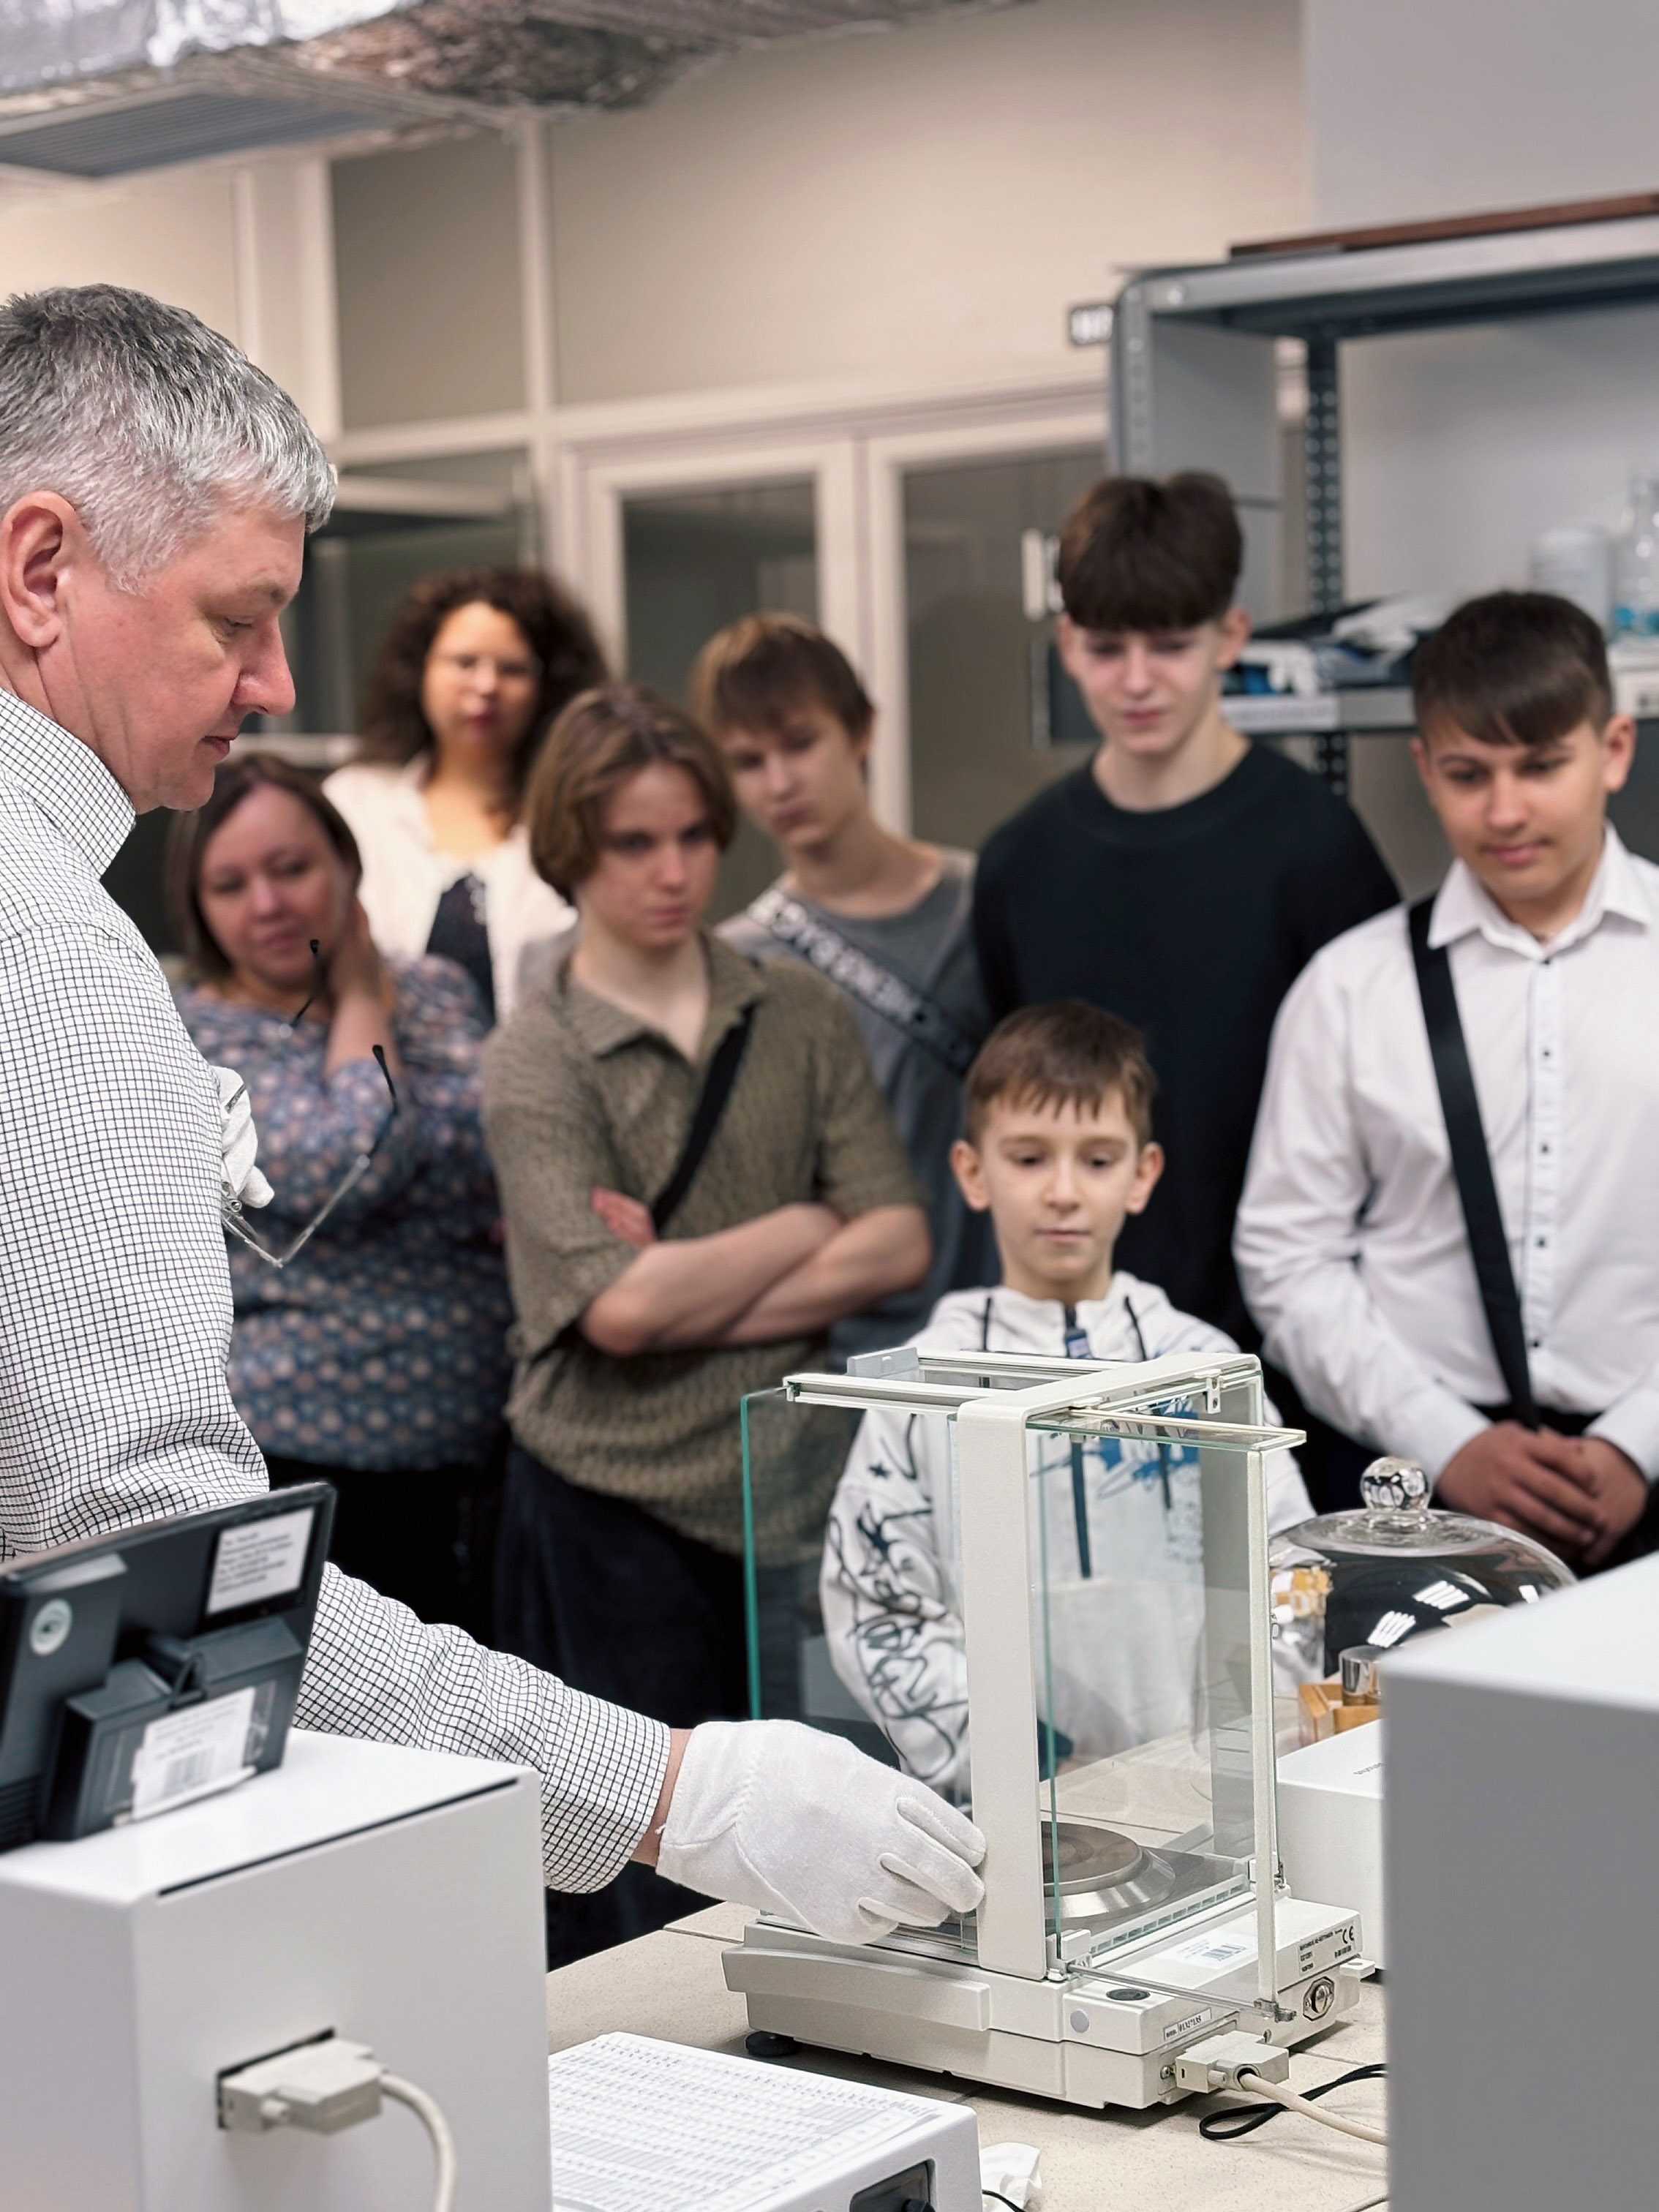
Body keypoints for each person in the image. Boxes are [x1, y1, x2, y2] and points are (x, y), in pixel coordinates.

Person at [0, 283, 984, 1959]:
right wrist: (678, 1794)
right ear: (42, 570)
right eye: (235, 620)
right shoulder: (45, 946)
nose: (275, 680)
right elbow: (166, 1573)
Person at [484, 681, 932, 1957]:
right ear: (573, 849)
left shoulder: (794, 1007)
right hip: (607, 1492)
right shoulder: (538, 1051)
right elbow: (620, 1315)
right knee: (638, 1860)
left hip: (787, 1482)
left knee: (821, 1826)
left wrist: (689, 1280)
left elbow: (897, 1236)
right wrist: (802, 1223)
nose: (672, 869)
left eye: (691, 834)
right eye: (633, 841)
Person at [1236, 590, 1659, 1569]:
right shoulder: (1349, 986)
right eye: (1469, 774)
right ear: (1426, 769)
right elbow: (1288, 1256)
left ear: (1615, 750)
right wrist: (1444, 1440)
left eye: (1541, 766)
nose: (1505, 811)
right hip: (1412, 1491)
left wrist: (1640, 1442)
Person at [821, 1001, 1312, 1800]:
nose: (1062, 1192)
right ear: (972, 1173)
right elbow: (879, 1607)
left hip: (1205, 1797)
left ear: (1142, 1175)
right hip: (1013, 1811)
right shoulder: (921, 1388)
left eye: (1097, 1159)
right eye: (1028, 1158)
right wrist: (1030, 1763)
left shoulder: (1207, 1367)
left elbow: (1288, 1572)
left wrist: (1226, 1753)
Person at [972, 473, 1398, 1350]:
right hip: (1082, 1346)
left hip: (1288, 1345)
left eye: (1169, 645)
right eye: (1106, 648)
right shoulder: (1020, 862)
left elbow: (1382, 1117)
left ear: (1228, 637)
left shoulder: (1317, 845)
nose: (1137, 681)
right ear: (1067, 643)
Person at [170, 754, 509, 1639]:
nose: (268, 905)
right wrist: (360, 1000)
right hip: (306, 1457)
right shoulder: (193, 1034)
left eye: (291, 868)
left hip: (481, 1451)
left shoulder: (437, 990)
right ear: (198, 905)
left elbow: (507, 1150)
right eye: (230, 885)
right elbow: (351, 1168)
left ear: (347, 867)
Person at [696, 612, 993, 1356]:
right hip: (843, 1350)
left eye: (801, 744)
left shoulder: (986, 903)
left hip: (1006, 1328)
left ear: (861, 730)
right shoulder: (736, 964)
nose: (780, 783)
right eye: (748, 761)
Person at [323, 566, 606, 1024]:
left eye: (512, 669)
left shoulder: (583, 811)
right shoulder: (354, 803)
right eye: (464, 662)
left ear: (548, 686)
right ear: (419, 671)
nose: (486, 685)